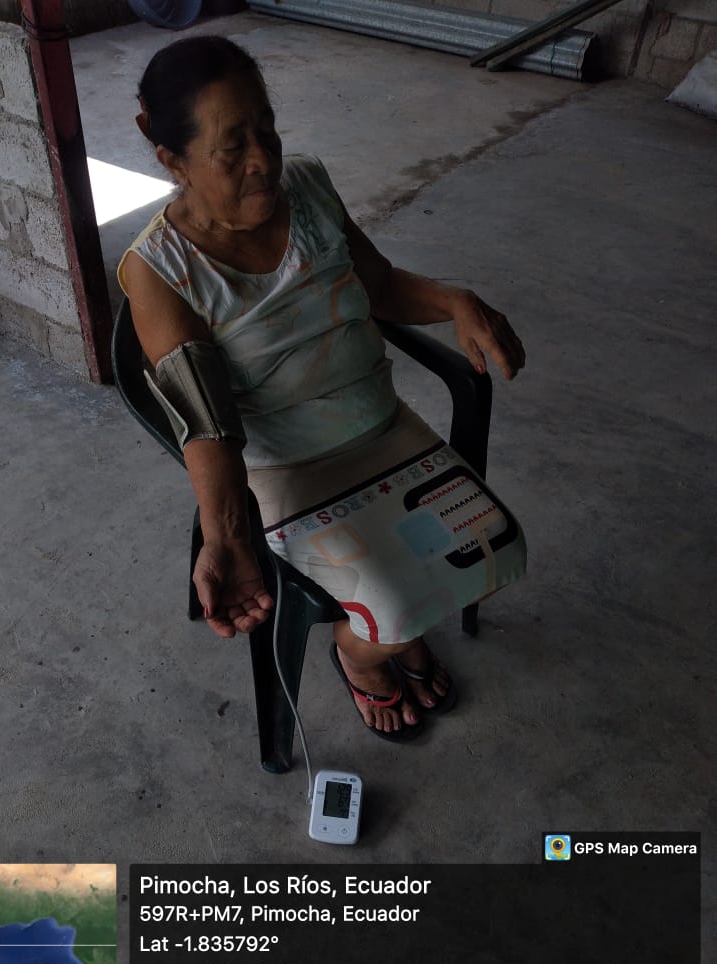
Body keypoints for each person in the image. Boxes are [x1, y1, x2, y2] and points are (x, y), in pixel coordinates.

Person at [119, 35, 527, 742]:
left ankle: (390, 633)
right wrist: (225, 536)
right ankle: (359, 651)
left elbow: (378, 285)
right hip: (293, 471)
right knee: (397, 612)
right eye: (232, 146)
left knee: (497, 552)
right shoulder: (160, 271)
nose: (263, 160)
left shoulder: (306, 187)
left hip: (386, 431)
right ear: (172, 159)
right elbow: (208, 425)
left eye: (268, 129)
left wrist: (455, 301)